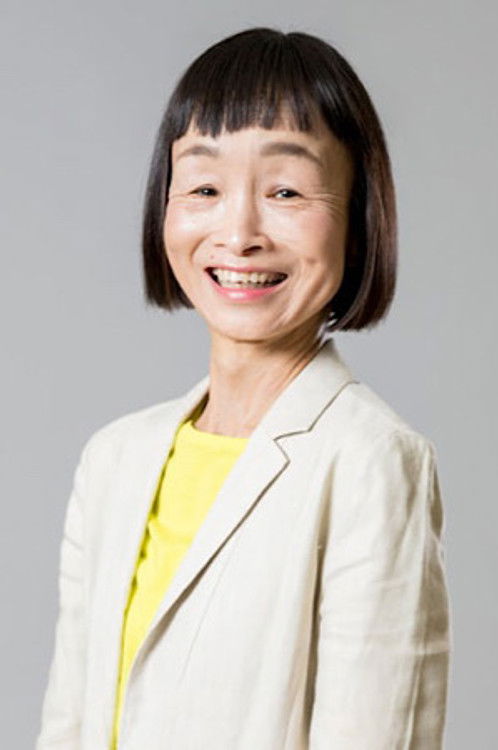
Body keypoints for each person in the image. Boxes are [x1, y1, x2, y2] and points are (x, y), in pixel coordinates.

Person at [36, 26, 451, 750]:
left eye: (286, 190)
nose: (240, 232)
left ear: (358, 221)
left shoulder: (372, 462)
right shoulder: (113, 460)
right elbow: (68, 727)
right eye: (204, 188)